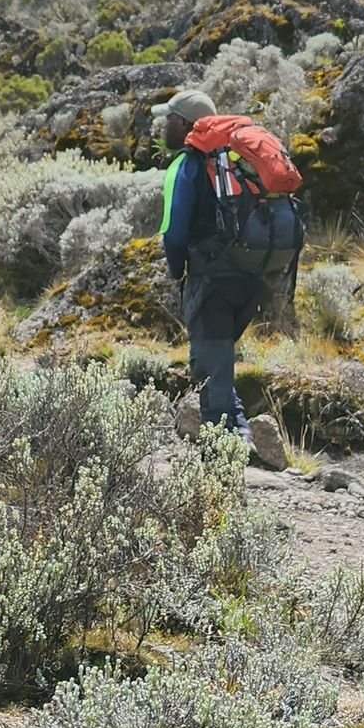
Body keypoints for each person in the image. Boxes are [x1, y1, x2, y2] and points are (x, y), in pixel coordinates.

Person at [155, 86, 289, 469]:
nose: (164, 126)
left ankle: (223, 456)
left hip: (210, 277)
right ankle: (239, 433)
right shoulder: (237, 161)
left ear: (183, 123)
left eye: (169, 119)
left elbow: (173, 230)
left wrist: (176, 269)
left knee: (209, 364)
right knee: (215, 361)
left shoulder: (187, 165)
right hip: (252, 276)